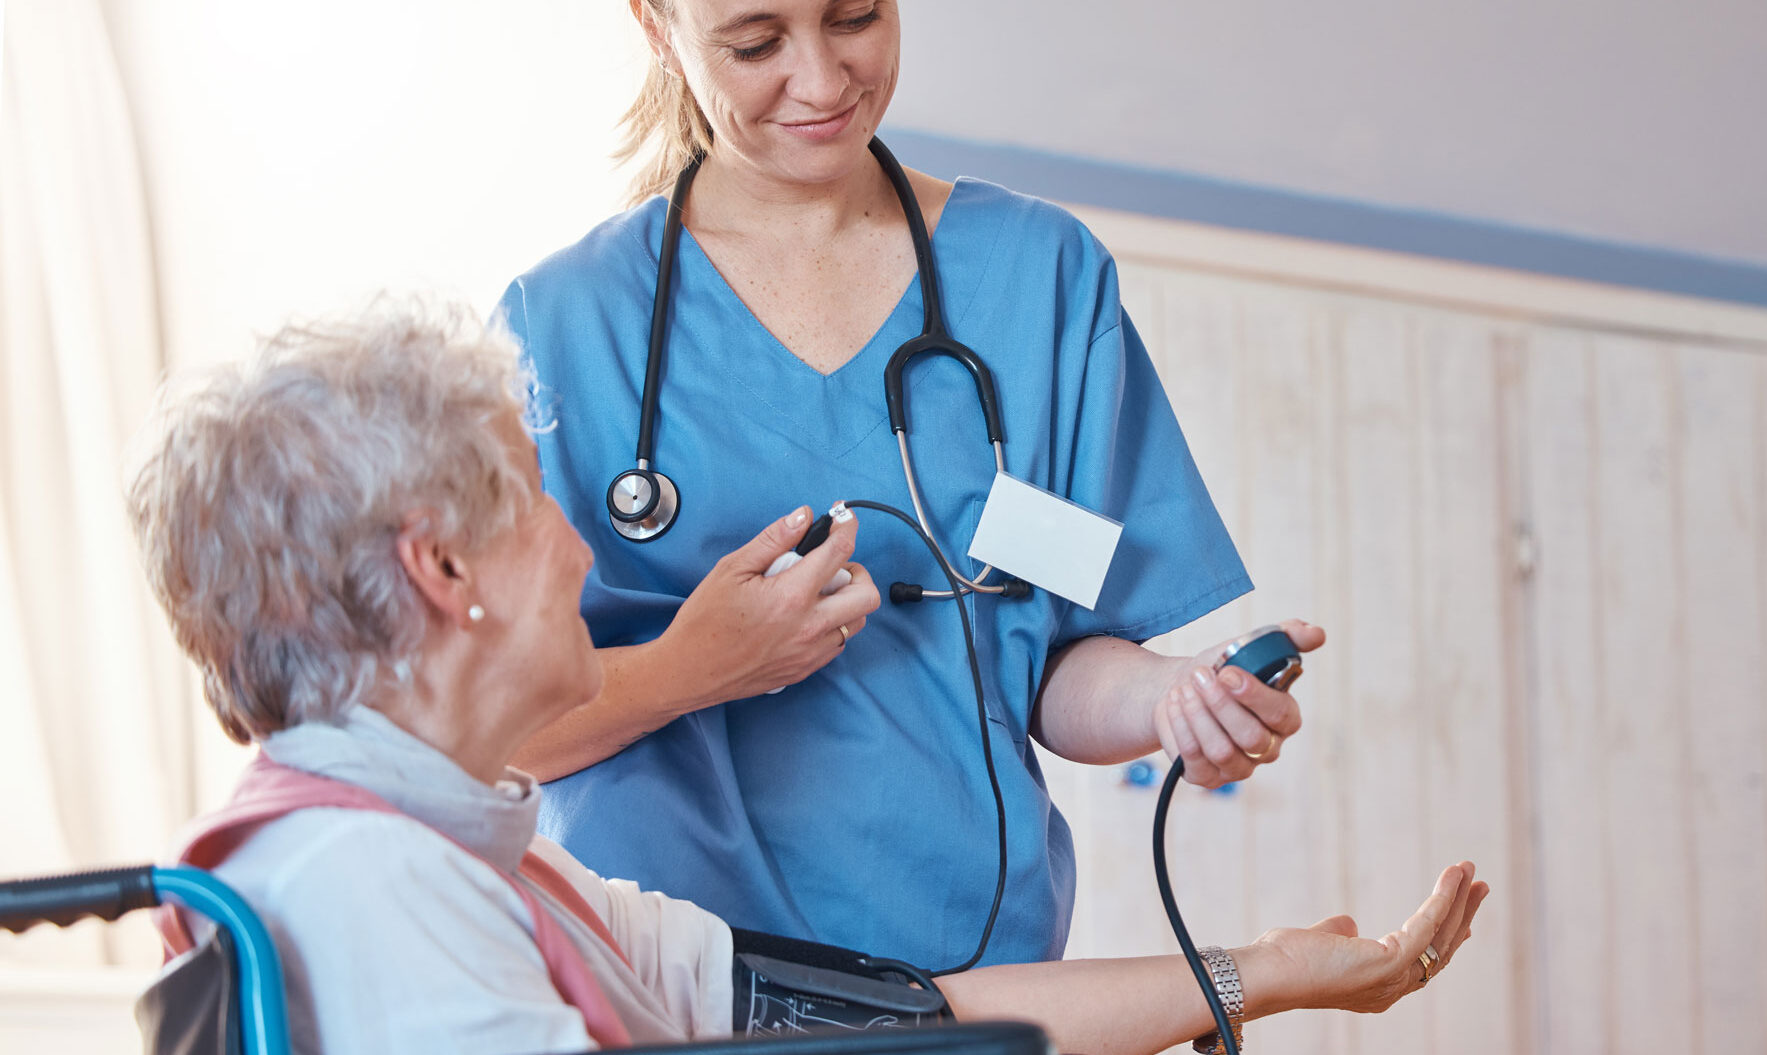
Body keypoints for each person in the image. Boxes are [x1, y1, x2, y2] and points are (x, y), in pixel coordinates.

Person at [127, 304, 1487, 1055]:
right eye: (537, 502)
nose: (579, 541)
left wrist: (1274, 973)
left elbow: (909, 1017)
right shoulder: (369, 885)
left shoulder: (472, 864)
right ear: (441, 567)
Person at [501, 0, 1321, 971]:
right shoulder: (561, 325)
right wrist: (697, 662)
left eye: (855, 17)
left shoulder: (1038, 275)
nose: (821, 79)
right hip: (656, 979)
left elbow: (1054, 660)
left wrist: (1176, 697)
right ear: (655, 23)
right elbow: (491, 737)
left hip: (968, 959)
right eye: (756, 42)